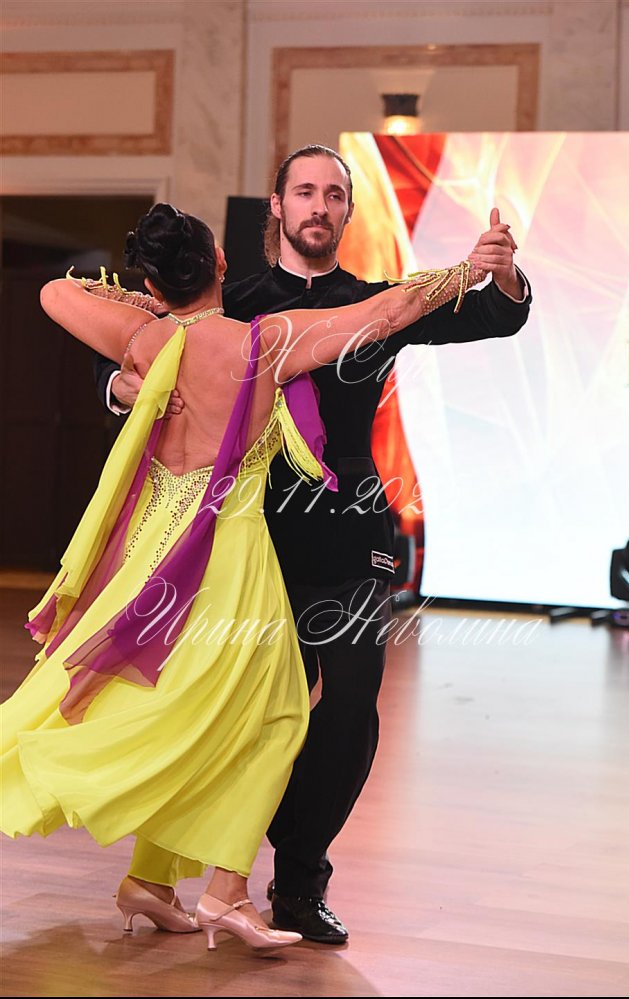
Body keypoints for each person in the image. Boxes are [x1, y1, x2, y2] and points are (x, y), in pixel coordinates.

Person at [1, 203, 483, 953]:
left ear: (153, 280)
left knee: (170, 708)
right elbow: (387, 312)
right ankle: (226, 893)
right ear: (222, 262)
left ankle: (151, 881)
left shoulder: (144, 340)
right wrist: (468, 271)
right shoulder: (264, 342)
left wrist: (143, 322)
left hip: (153, 557)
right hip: (227, 557)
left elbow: (55, 292)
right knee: (278, 718)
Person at [94, 146, 532, 944]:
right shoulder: (230, 303)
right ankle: (187, 873)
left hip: (351, 531)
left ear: (347, 211)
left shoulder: (374, 303)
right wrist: (122, 388)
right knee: (249, 710)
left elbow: (495, 317)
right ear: (278, 205)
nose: (319, 206)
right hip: (252, 534)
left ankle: (296, 876)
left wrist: (501, 273)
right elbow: (137, 360)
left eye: (334, 193)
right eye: (305, 192)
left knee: (354, 702)